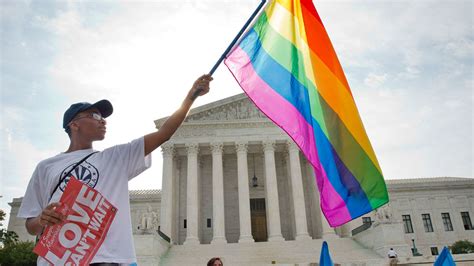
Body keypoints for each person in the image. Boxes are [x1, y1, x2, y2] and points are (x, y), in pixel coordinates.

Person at [17, 74, 212, 265]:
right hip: (59, 260)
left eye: (102, 117)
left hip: (109, 259)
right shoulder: (46, 167)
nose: (102, 120)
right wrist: (42, 219)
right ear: (74, 124)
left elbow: (164, 133)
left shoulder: (115, 158)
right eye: (94, 116)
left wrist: (190, 97)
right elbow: (30, 226)